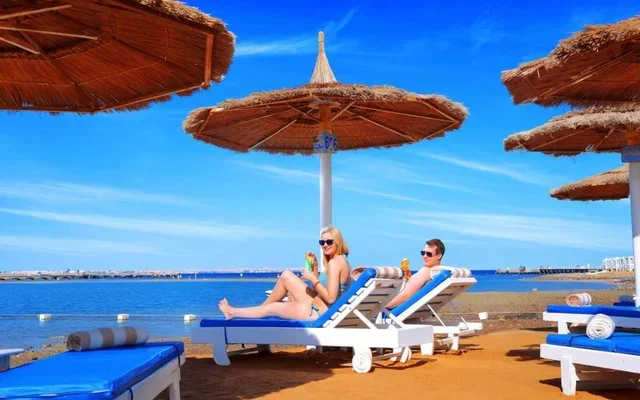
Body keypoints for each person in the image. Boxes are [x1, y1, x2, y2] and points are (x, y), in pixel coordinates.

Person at [218, 226, 352, 321]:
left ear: (338, 242)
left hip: (317, 312)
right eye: (322, 242)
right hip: (319, 307)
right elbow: (323, 293)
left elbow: (330, 298)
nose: (325, 245)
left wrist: (312, 278)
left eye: (329, 242)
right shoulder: (341, 261)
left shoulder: (335, 263)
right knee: (286, 275)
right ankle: (259, 311)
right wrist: (315, 270)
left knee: (273, 307)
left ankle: (233, 312)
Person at [385, 238, 445, 309]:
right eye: (423, 253)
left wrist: (382, 307)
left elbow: (404, 296)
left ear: (439, 256)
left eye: (429, 254)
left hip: (394, 309)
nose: (424, 256)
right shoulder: (439, 272)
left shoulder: (425, 272)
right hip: (420, 310)